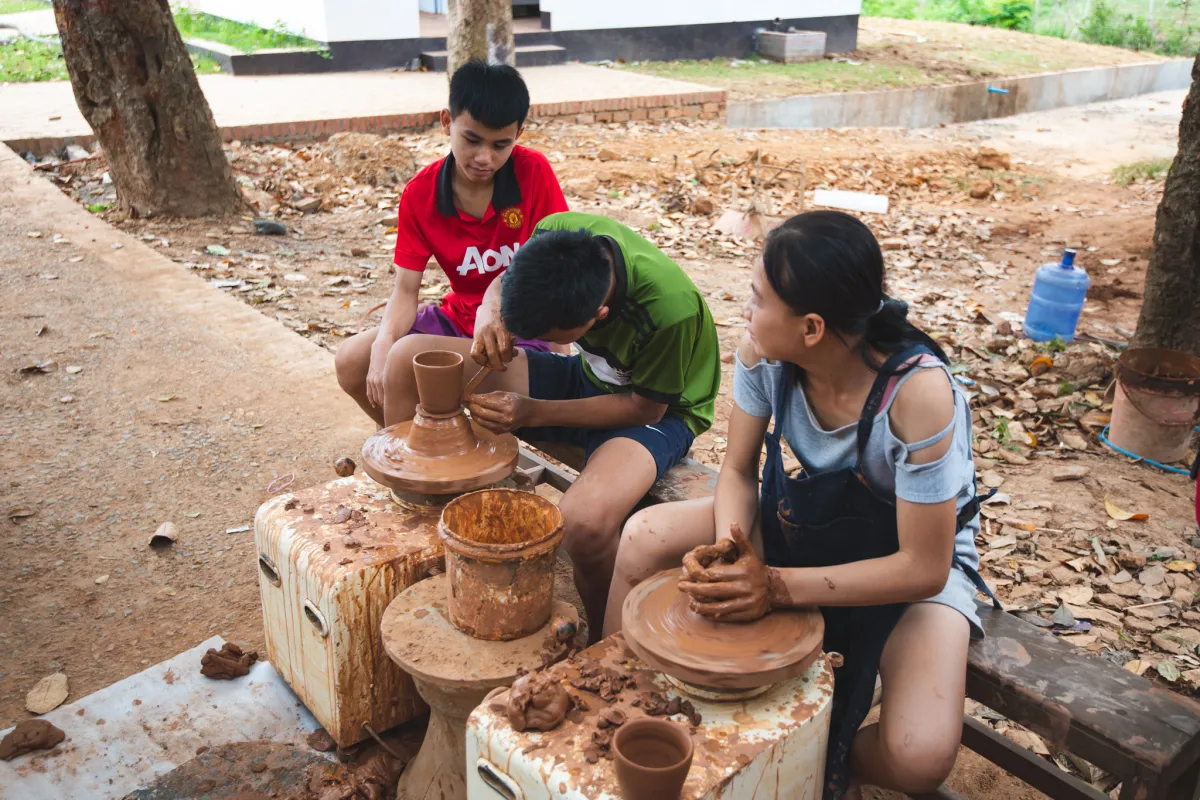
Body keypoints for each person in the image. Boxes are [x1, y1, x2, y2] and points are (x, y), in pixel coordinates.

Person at [610, 211, 998, 799]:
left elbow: (924, 565)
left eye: (757, 298)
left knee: (919, 755)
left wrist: (776, 586)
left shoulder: (917, 395)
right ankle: (616, 696)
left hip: (911, 555)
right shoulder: (764, 353)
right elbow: (738, 470)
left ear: (812, 328)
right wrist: (737, 550)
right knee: (642, 535)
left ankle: (823, 759)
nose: (745, 310)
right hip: (810, 520)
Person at [383, 211, 721, 639]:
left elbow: (643, 409)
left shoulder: (669, 311)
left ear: (599, 315)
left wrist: (532, 412)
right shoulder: (556, 234)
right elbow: (502, 282)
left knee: (582, 523)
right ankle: (411, 544)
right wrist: (491, 315)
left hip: (659, 412)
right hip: (586, 375)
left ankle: (604, 640)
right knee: (405, 358)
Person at [335, 60, 568, 426]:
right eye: (472, 139)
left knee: (405, 357)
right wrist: (381, 345)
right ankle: (425, 453)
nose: (484, 158)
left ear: (519, 133)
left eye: (500, 145)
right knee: (352, 360)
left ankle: (423, 467)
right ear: (447, 122)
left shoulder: (533, 173)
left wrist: (563, 362)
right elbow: (406, 291)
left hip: (525, 338)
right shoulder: (420, 194)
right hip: (456, 322)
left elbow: (559, 269)